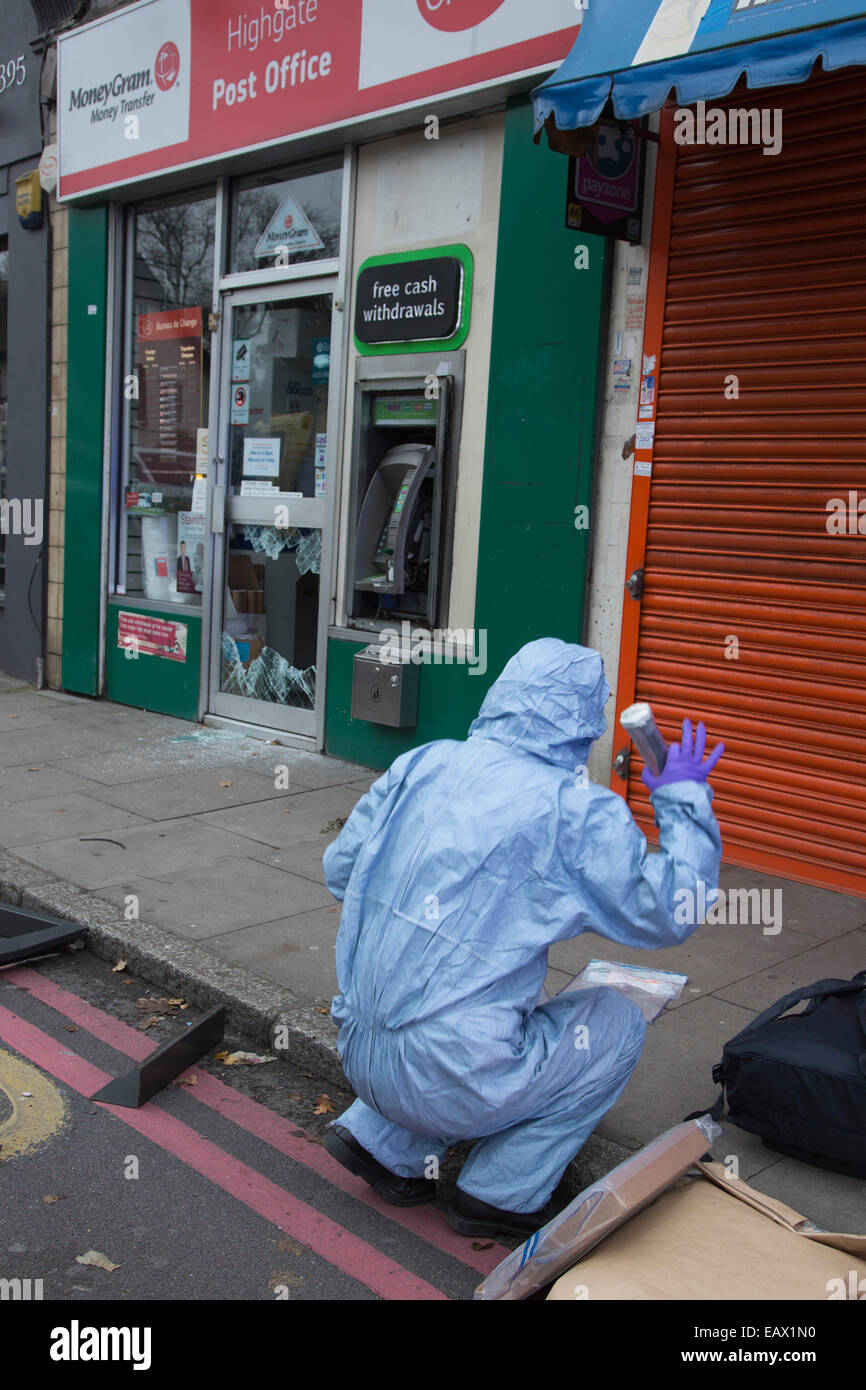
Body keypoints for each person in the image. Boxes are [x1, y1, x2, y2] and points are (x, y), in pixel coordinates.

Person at [322, 638, 724, 1239]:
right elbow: (670, 913)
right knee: (614, 1020)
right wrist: (685, 805)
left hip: (358, 1051)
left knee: (455, 1006)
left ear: (500, 696)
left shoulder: (421, 763)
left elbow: (340, 873)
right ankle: (497, 1196)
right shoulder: (573, 809)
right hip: (451, 1078)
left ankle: (381, 1142)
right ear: (584, 726)